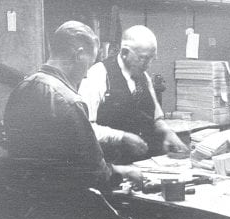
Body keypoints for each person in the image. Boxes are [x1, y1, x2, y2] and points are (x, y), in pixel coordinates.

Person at [4, 21, 143, 219]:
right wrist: (124, 171)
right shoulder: (68, 100)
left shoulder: (21, 89)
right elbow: (95, 173)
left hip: (28, 214)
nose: (86, 74)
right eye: (89, 64)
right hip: (67, 218)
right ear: (79, 54)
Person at [79, 25, 188, 164]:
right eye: (143, 58)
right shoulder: (98, 75)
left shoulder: (143, 77)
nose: (148, 65)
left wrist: (167, 132)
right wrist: (122, 137)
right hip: (114, 166)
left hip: (145, 164)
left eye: (151, 58)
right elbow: (86, 129)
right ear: (125, 52)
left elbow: (155, 118)